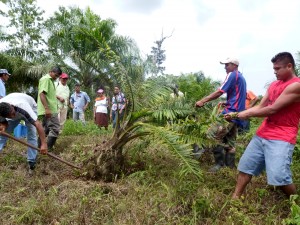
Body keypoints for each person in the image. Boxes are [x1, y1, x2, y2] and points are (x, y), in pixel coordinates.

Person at [226, 52, 300, 199]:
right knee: (246, 166)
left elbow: (272, 109)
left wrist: (245, 115)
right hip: (263, 133)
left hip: (282, 136)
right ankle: (235, 198)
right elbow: (261, 106)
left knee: (279, 176)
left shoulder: (296, 86)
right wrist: (236, 114)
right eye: (274, 68)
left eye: (278, 68)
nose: (275, 71)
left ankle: (296, 206)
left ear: (289, 66)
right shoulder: (274, 85)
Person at [195, 57, 246, 172]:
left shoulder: (232, 75)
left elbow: (220, 91)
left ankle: (219, 164)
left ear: (234, 65)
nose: (225, 67)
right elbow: (238, 96)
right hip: (237, 115)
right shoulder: (241, 77)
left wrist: (203, 101)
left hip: (229, 114)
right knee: (230, 142)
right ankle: (230, 167)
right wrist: (227, 102)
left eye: (227, 65)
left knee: (212, 137)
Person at [0, 93, 48, 173]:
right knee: (2, 136)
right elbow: (4, 122)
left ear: (11, 106)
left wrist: (43, 144)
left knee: (31, 133)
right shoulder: (1, 111)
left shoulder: (23, 106)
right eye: (10, 116)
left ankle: (31, 163)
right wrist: (3, 127)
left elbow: (38, 125)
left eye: (13, 114)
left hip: (30, 106)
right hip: (12, 110)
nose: (13, 116)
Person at [37, 66, 62, 151]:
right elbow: (42, 94)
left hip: (49, 109)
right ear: (51, 71)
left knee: (45, 129)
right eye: (56, 75)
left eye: (58, 76)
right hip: (49, 109)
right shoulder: (46, 79)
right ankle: (49, 149)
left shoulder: (50, 80)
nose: (56, 77)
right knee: (55, 128)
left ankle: (39, 148)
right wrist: (47, 108)